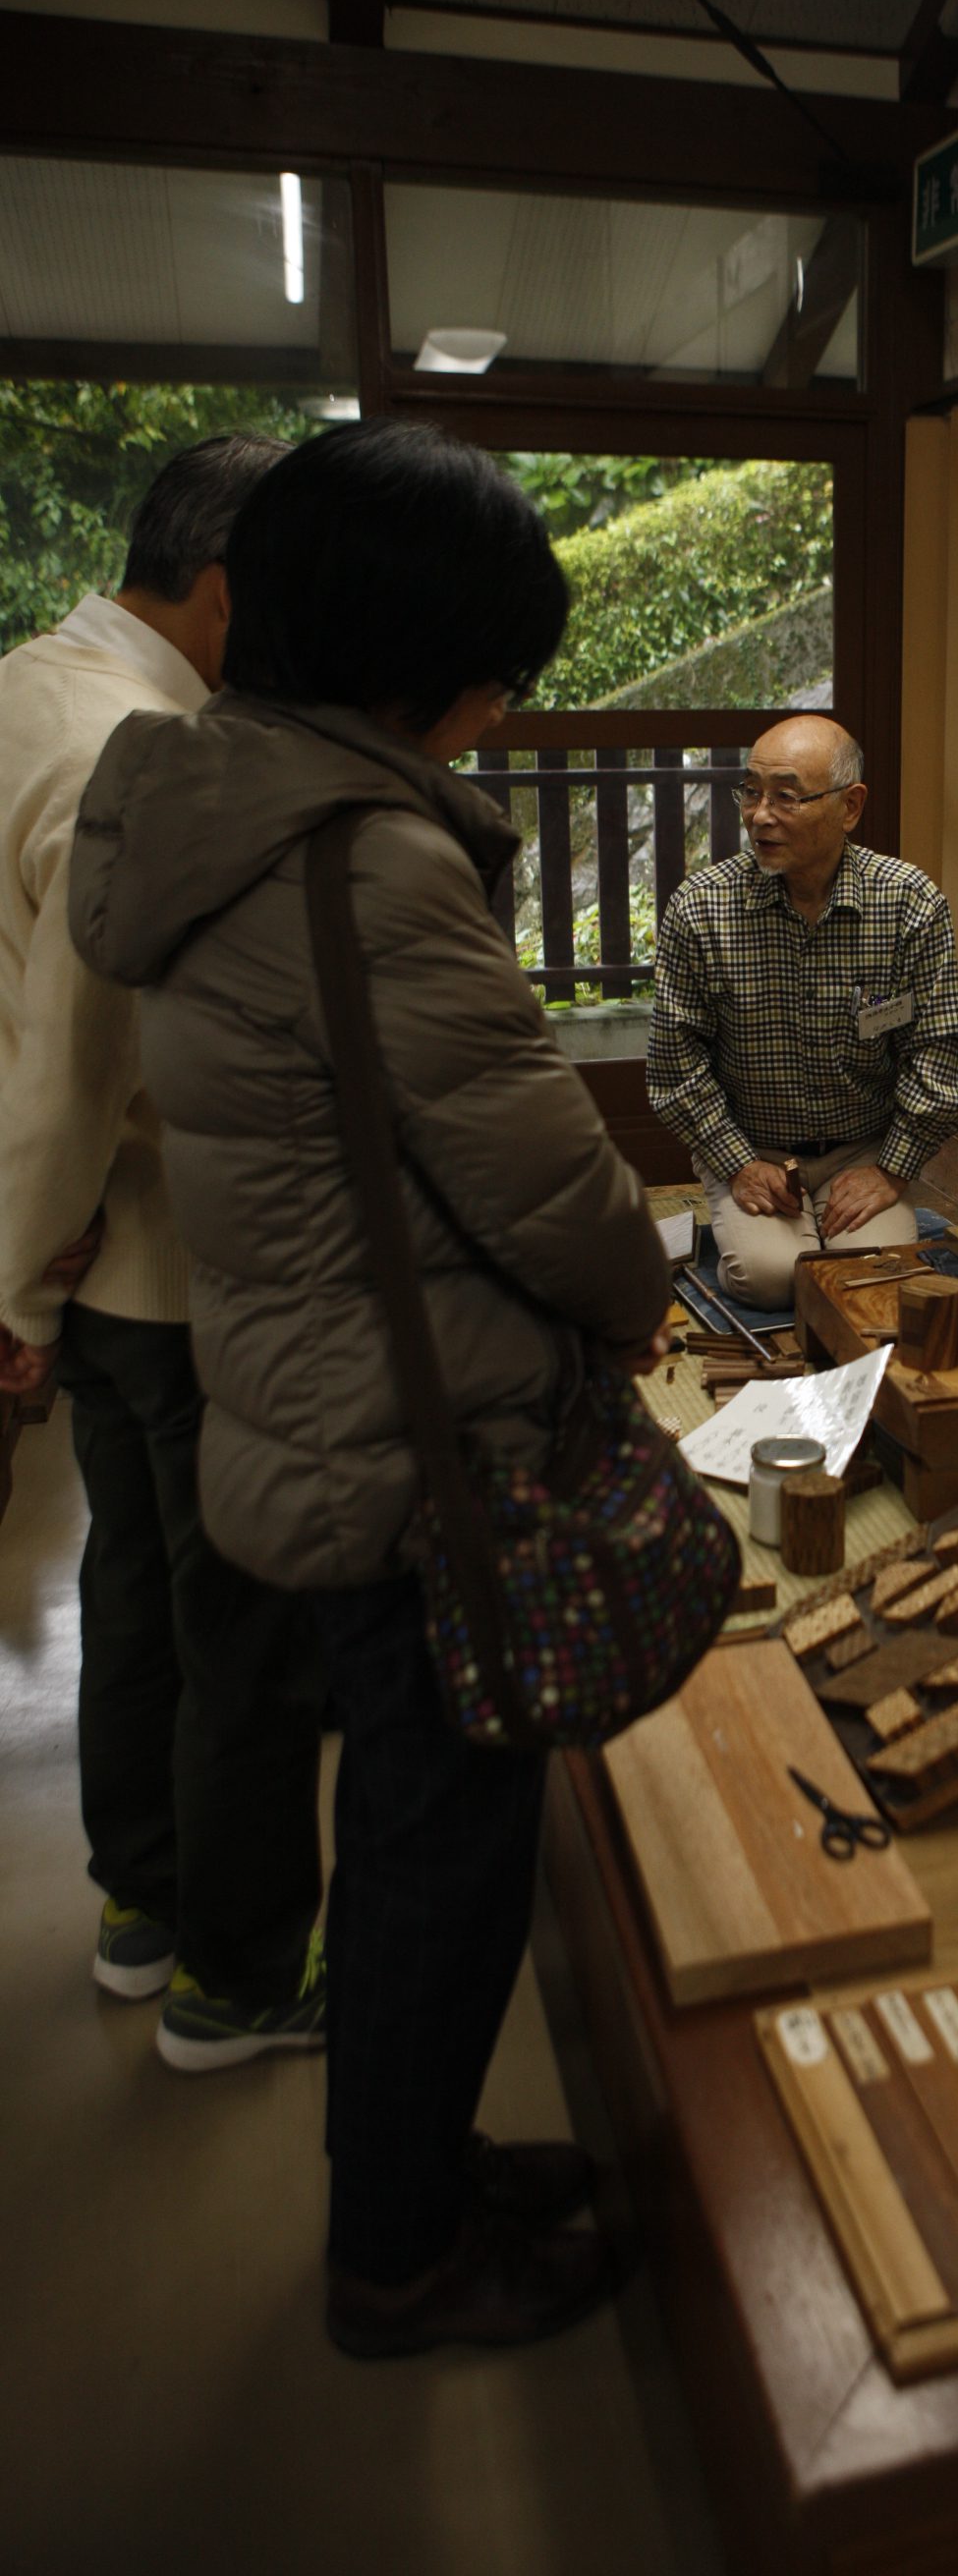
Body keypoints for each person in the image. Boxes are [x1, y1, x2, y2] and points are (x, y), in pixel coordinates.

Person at [68, 420, 674, 2357]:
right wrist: (639, 1287)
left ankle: (410, 2165)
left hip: (310, 1410)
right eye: (504, 670)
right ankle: (401, 2259)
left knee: (412, 1838)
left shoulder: (202, 806)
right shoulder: (373, 852)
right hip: (423, 1464)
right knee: (434, 1862)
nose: (504, 712)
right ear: (432, 664)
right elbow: (543, 1183)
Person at [0, 433, 329, 2071]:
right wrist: (13, 1276)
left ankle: (144, 1905)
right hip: (153, 1263)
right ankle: (241, 1975)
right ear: (222, 591)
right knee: (240, 1631)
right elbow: (74, 1050)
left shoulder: (26, 681)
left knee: (129, 1589)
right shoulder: (136, 746)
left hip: (97, 1265)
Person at [646, 713, 958, 1310]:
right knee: (771, 1278)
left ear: (850, 808)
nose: (759, 815)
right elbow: (675, 1066)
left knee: (870, 1280)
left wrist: (892, 1170)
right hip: (753, 1144)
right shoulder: (701, 909)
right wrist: (738, 1163)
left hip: (862, 1148)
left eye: (787, 796)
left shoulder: (909, 904)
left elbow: (940, 1058)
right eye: (751, 792)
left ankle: (845, 1221)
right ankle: (751, 1222)